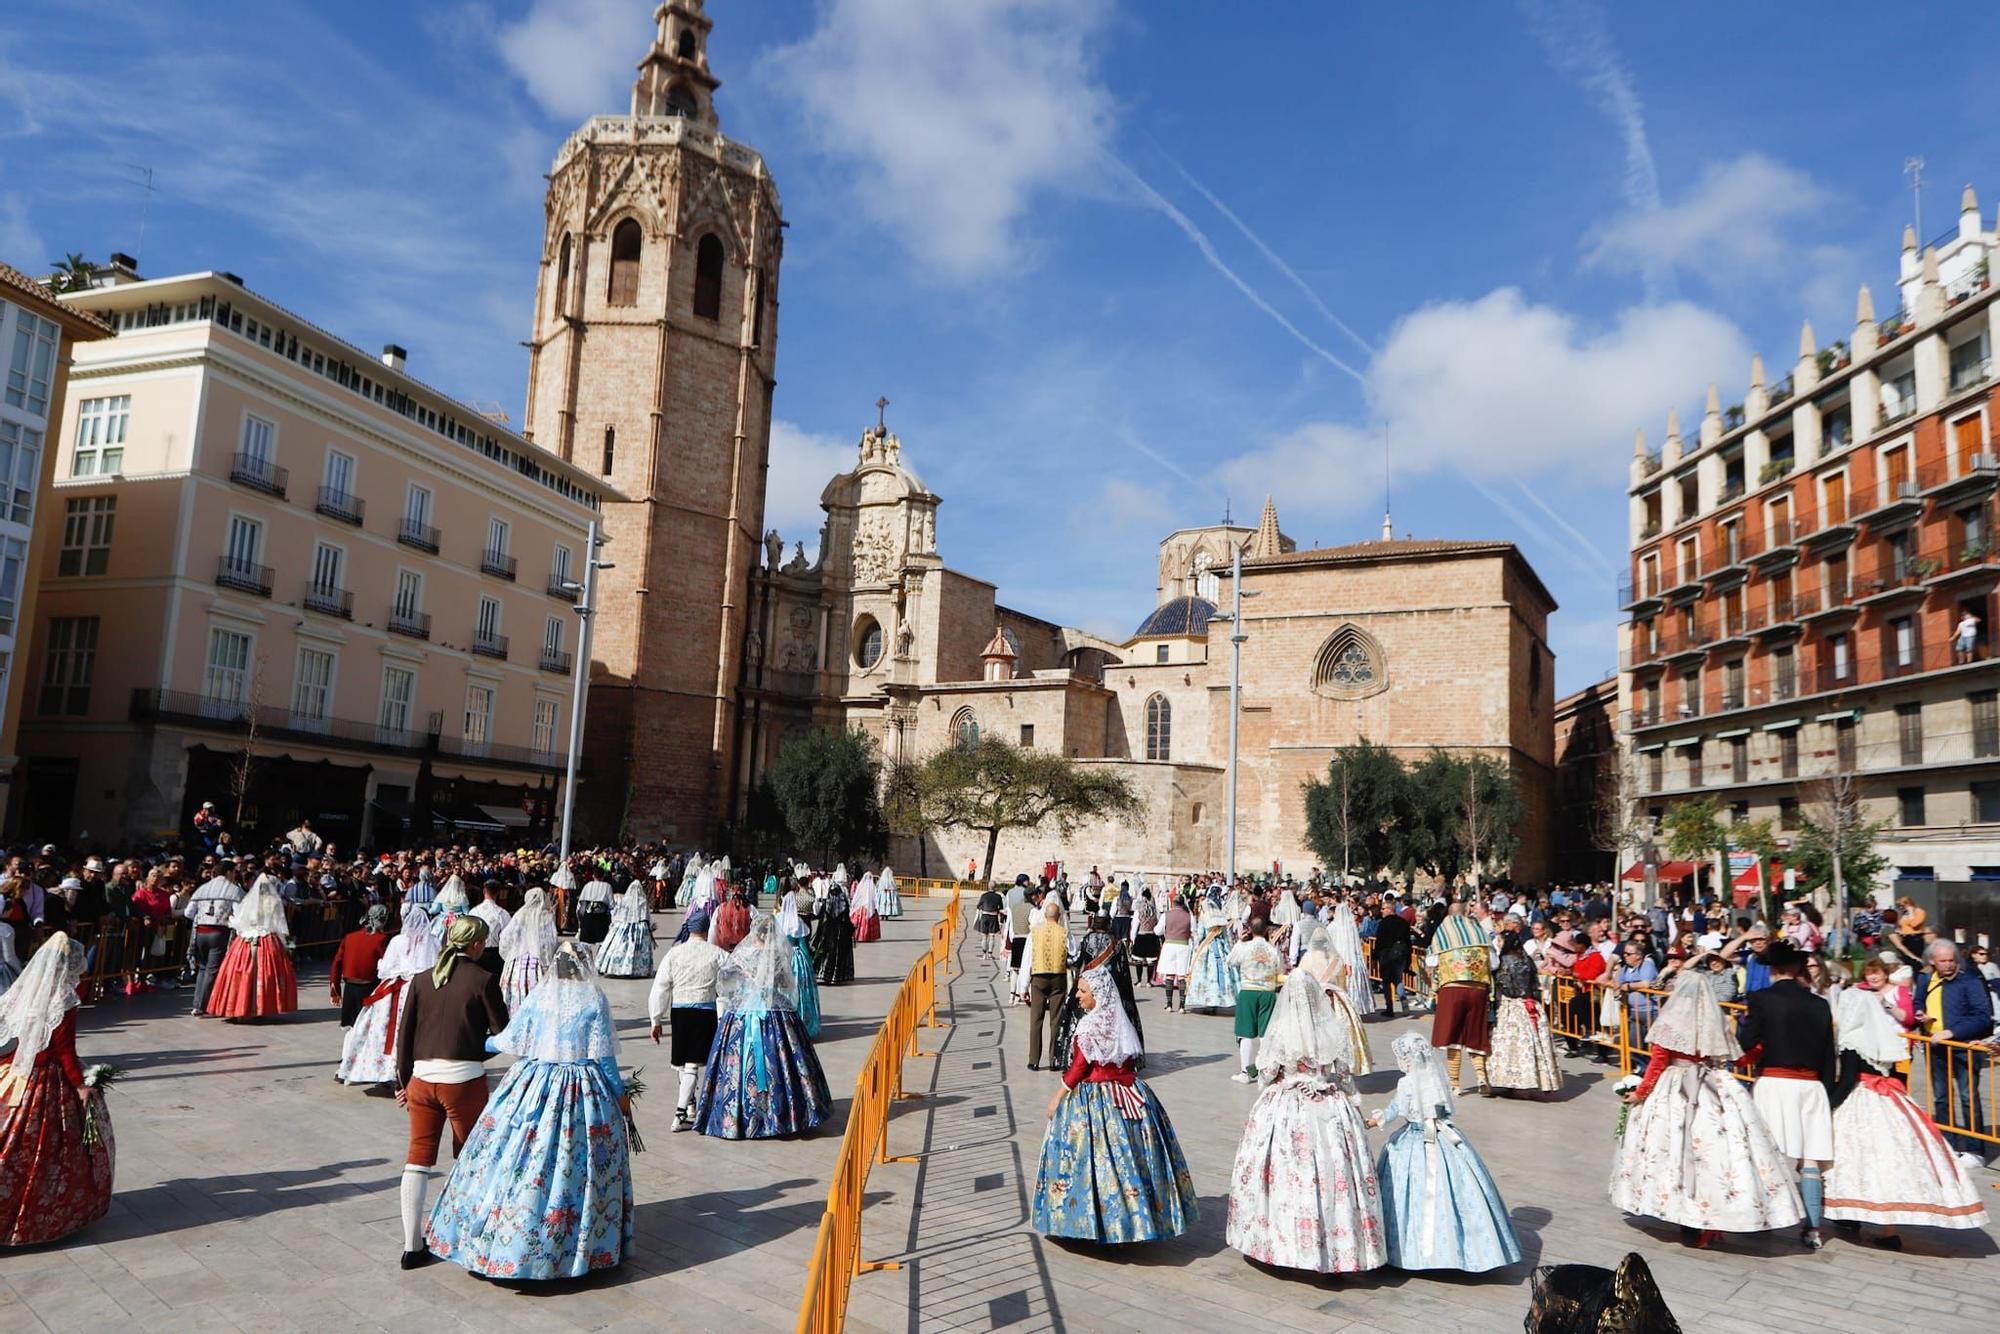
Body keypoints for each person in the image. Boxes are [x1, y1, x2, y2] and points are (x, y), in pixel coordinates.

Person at [424, 942, 633, 1278]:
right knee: (576, 1163)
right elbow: (604, 1057)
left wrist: (467, 1039)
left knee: (515, 1158)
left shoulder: (539, 996)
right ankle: (572, 1243)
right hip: (581, 1086)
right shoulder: (594, 999)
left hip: (533, 1082)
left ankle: (508, 1238)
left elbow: (508, 1038)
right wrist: (620, 1095)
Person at [1611, 966, 1803, 1246]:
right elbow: (1738, 1059)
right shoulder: (1717, 1020)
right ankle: (1719, 1213)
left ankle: (1683, 1212)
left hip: (1676, 1088)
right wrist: (1762, 1047)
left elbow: (1657, 1063)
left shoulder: (1671, 1021)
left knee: (1675, 1150)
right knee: (1718, 1155)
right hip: (1715, 1087)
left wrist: (1640, 1094)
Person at [1226, 968, 1386, 1274]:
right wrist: (1347, 1099)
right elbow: (1343, 1075)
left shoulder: (1282, 1029)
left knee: (1288, 1173)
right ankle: (1339, 1244)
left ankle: (1284, 1244)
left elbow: (1268, 1072)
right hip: (1330, 1106)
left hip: (1289, 1106)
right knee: (1334, 1172)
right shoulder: (1332, 1029)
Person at [1032, 966, 1197, 1243]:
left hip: (1093, 1098)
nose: (1078, 996)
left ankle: (1089, 1222)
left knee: (1091, 1160)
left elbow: (1079, 1068)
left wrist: (1057, 1097)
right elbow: (1129, 1063)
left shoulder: (1088, 1025)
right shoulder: (1121, 1022)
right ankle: (1134, 1217)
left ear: (1098, 994)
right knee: (1130, 1159)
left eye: (1083, 992)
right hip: (1128, 1093)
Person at [1824, 984, 1989, 1247]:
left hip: (1862, 1098)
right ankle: (1888, 1231)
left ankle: (1850, 1214)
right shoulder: (1880, 1036)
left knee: (1854, 1159)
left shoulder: (1852, 1041)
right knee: (1887, 1163)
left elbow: (1845, 1083)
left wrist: (1826, 1105)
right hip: (1891, 1099)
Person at [393, 915, 508, 1270]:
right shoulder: (483, 980)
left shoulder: (422, 979)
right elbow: (501, 1033)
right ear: (475, 944)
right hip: (463, 1080)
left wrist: (403, 1082)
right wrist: (475, 1050)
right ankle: (466, 1235)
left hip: (421, 1080)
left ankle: (412, 1246)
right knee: (470, 1156)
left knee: (418, 1158)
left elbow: (405, 1035)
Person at [1367, 1032, 1521, 1273]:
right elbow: (1444, 1110)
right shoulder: (1436, 1079)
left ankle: (1412, 1252)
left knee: (1413, 1194)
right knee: (1457, 1190)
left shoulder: (1407, 1083)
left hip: (1415, 1139)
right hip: (1444, 1137)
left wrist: (1371, 1122)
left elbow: (1395, 1108)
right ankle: (1461, 1250)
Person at [0, 934, 115, 1246]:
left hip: (13, 1072)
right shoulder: (63, 997)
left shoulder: (28, 988)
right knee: (48, 1148)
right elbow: (64, 1048)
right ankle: (36, 1215)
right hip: (45, 1079)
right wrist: (81, 1084)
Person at [695, 913, 833, 1138]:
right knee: (783, 1062)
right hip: (774, 1010)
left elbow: (726, 980)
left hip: (741, 1012)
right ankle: (782, 1115)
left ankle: (737, 1116)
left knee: (736, 1064)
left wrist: (744, 989)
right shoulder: (777, 957)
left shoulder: (741, 955)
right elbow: (788, 983)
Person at [1736, 940, 1836, 1250]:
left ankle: (1766, 1216)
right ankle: (1813, 1227)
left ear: (1774, 969)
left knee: (1766, 1152)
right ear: (1796, 969)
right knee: (1809, 1160)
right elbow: (1827, 1055)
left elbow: (1746, 1039)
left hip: (1775, 1082)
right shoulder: (1820, 1004)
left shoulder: (1762, 999)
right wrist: (1826, 1092)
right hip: (1811, 1085)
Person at [1914, 939, 1994, 1164]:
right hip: (1935, 1046)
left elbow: (1982, 1016)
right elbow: (1917, 1000)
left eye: (1952, 960)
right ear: (1933, 961)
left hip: (1963, 1047)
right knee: (1941, 1097)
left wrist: (1952, 1032)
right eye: (1943, 961)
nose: (1949, 965)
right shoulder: (1926, 978)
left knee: (1968, 1096)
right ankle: (1947, 1143)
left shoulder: (1970, 981)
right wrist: (1920, 1013)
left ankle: (1974, 1149)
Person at [338, 906, 439, 1087]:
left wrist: (388, 968)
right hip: (420, 988)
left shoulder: (397, 940)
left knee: (380, 1030)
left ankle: (379, 1069)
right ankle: (413, 1070)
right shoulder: (432, 941)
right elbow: (436, 967)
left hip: (395, 988)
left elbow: (385, 969)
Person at [649, 906, 727, 1131]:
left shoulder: (675, 953)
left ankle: (688, 1105)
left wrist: (656, 1019)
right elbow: (730, 983)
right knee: (690, 1065)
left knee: (683, 1064)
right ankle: (682, 1111)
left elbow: (661, 987)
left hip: (680, 1013)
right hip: (705, 1012)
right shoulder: (717, 954)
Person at [207, 873, 297, 1020]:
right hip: (267, 940)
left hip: (245, 940)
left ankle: (239, 1007)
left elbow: (238, 922)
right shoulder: (274, 901)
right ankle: (257, 1007)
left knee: (240, 974)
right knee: (263, 975)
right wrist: (290, 948)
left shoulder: (249, 900)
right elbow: (281, 926)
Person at [1427, 903, 1494, 1094]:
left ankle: (1454, 1083)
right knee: (1476, 1033)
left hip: (1452, 987)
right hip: (1478, 988)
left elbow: (1432, 960)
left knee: (1452, 1034)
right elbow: (1493, 962)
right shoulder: (1478, 931)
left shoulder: (1442, 932)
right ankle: (1481, 1077)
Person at [1488, 931, 1561, 1095]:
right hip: (1530, 1003)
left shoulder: (1504, 961)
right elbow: (1535, 983)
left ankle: (1512, 1081)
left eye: (1499, 941)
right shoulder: (1527, 959)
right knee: (1532, 1044)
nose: (1498, 944)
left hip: (1512, 1005)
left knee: (1510, 1044)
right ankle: (1533, 1080)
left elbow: (1506, 985)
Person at [1228, 917, 1285, 1083]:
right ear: (1266, 930)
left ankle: (1245, 1072)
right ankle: (1266, 1070)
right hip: (1267, 992)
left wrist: (1239, 942)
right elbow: (1279, 969)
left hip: (1248, 990)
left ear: (1250, 930)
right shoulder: (1272, 949)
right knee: (1265, 1033)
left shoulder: (1245, 948)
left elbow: (1230, 961)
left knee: (1245, 1033)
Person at [183, 870, 243, 1015]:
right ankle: (203, 1005)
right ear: (229, 872)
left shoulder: (202, 888)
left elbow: (188, 913)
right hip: (219, 932)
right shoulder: (233, 889)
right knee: (212, 970)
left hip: (201, 932)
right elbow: (239, 914)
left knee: (203, 968)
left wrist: (203, 917)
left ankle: (197, 1003)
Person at [1024, 897, 1069, 1070]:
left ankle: (1034, 1060)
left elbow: (1027, 961)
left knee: (1036, 1019)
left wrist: (1023, 986)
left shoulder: (1034, 933)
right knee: (1056, 1020)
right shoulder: (1064, 933)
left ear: (1045, 915)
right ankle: (1054, 1060)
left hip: (1038, 979)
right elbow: (1073, 953)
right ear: (1058, 916)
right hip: (1058, 978)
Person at [330, 905, 393, 1027]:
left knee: (351, 1028)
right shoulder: (382, 939)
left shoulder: (350, 937)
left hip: (349, 988)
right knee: (366, 1027)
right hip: (368, 988)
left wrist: (335, 988)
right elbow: (388, 964)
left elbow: (336, 963)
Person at [498, 887, 558, 1010]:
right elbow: (551, 940)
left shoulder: (519, 914)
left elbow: (505, 936)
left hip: (517, 961)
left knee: (517, 989)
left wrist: (510, 953)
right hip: (538, 962)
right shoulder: (547, 916)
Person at [778, 886, 820, 1038]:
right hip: (797, 958)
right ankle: (804, 1024)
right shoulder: (798, 923)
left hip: (783, 958)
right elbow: (803, 945)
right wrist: (809, 964)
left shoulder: (777, 920)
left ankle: (784, 1026)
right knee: (801, 992)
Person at [594, 880, 656, 979]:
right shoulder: (643, 901)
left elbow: (617, 914)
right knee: (636, 949)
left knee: (619, 946)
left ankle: (616, 967)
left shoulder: (624, 900)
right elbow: (646, 916)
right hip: (640, 927)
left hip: (623, 926)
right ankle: (636, 969)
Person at [1185, 905, 1238, 1013]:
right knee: (1219, 975)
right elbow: (1226, 937)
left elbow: (1200, 936)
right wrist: (1228, 951)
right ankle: (1218, 1001)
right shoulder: (1221, 919)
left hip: (1207, 949)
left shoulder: (1204, 917)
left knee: (1208, 976)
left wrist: (1195, 950)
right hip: (1220, 949)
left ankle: (1209, 1002)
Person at [1372, 898, 1414, 1016]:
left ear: (1389, 909)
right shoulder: (1403, 922)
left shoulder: (1384, 923)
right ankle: (1404, 1004)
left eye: (1383, 908)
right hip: (1400, 955)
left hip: (1386, 955)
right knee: (1398, 979)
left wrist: (1375, 954)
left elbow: (1380, 940)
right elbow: (1407, 941)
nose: (1382, 911)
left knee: (1386, 981)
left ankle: (1389, 1007)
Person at [1154, 892, 1194, 1012]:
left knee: (1170, 975)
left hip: (1169, 945)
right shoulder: (1189, 916)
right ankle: (1182, 1005)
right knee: (1182, 975)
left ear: (1173, 903)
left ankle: (1169, 1004)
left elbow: (1157, 931)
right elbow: (1194, 932)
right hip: (1184, 946)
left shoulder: (1166, 915)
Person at [812, 875, 854, 986]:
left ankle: (825, 974)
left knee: (827, 953)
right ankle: (837, 976)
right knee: (837, 954)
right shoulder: (843, 903)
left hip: (828, 934)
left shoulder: (827, 902)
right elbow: (847, 920)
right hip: (840, 934)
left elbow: (822, 919)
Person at [574, 873, 614, 947]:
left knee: (585, 943)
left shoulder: (587, 885)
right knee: (601, 942)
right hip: (600, 918)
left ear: (593, 876)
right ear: (603, 876)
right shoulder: (607, 886)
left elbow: (580, 903)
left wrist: (579, 918)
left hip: (587, 916)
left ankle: (586, 957)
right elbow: (611, 905)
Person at [974, 882, 1006, 957]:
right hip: (993, 917)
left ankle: (984, 953)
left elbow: (978, 906)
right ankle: (990, 954)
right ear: (995, 887)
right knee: (992, 936)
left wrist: (983, 908)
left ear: (988, 887)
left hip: (984, 916)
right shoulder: (998, 896)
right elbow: (1001, 908)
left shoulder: (984, 895)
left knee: (984, 936)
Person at [849, 872, 881, 944]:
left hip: (862, 908)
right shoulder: (870, 887)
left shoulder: (862, 886)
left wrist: (853, 904)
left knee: (860, 922)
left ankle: (860, 935)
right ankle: (866, 936)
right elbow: (875, 897)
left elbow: (856, 897)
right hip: (864, 908)